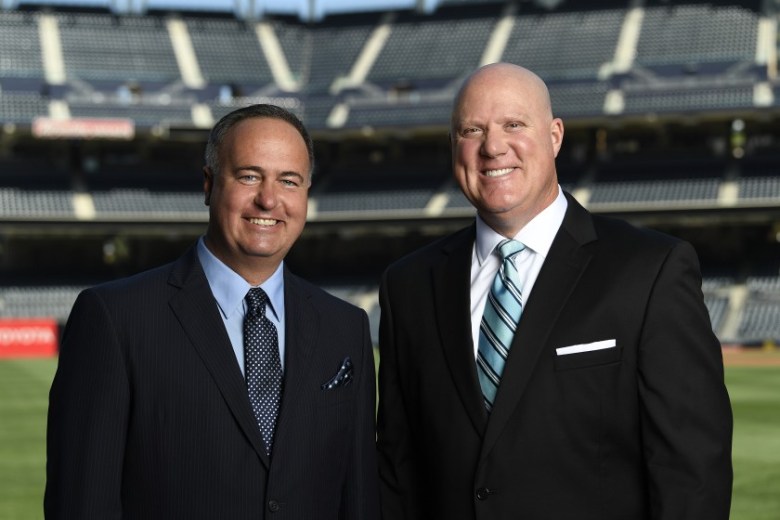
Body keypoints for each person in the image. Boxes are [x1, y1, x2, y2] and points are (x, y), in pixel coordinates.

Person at [376, 63, 732, 519]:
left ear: (555, 135)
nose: (493, 147)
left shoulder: (650, 270)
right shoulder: (407, 286)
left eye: (513, 125)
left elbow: (693, 473)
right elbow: (396, 473)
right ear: (453, 146)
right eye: (472, 129)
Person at [45, 104, 379, 520]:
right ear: (208, 185)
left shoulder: (345, 328)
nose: (269, 199)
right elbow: (81, 505)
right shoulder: (115, 319)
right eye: (249, 176)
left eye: (289, 181)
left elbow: (360, 501)